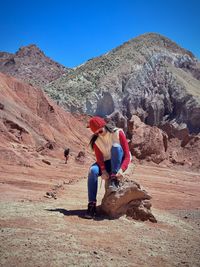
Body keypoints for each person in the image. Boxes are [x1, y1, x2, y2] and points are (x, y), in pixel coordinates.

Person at [85, 116, 131, 219]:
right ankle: (91, 204)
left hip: (118, 162)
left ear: (104, 125)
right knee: (92, 171)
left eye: (100, 131)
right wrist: (103, 170)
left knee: (116, 147)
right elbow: (100, 159)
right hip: (106, 163)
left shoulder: (118, 133)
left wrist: (121, 169)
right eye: (96, 133)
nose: (98, 134)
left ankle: (113, 179)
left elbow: (127, 155)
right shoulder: (96, 140)